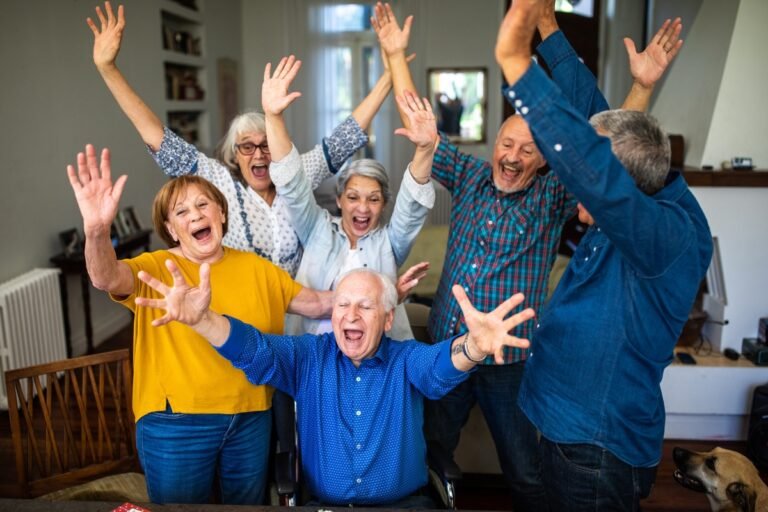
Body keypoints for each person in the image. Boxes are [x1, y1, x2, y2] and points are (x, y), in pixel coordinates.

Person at [371, 2, 684, 509]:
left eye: (529, 151)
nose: (514, 157)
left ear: (544, 160)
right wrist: (395, 54)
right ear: (495, 141)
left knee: (524, 469)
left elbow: (608, 151)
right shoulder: (470, 175)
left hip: (509, 359)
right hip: (448, 346)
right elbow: (421, 122)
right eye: (508, 144)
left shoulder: (553, 196)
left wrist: (642, 87)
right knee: (429, 450)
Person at [494, 1, 712, 510]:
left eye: (587, 188)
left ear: (625, 189)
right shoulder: (645, 178)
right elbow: (593, 121)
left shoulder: (669, 235)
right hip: (555, 422)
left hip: (594, 450)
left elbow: (594, 165)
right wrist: (548, 26)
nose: (576, 200)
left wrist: (517, 63)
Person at [132, 263, 536, 507]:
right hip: (323, 506)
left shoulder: (405, 359)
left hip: (404, 507)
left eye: (365, 305)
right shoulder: (309, 357)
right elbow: (254, 350)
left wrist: (474, 346)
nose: (351, 315)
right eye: (342, 304)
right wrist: (203, 321)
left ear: (387, 315)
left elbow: (439, 367)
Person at [66, 144, 333, 505]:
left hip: (251, 418)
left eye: (203, 204)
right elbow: (105, 277)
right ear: (172, 229)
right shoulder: (157, 266)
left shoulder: (258, 269)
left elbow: (318, 304)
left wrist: (382, 292)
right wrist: (97, 231)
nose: (195, 214)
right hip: (176, 424)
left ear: (221, 213)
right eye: (181, 211)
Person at [87, 2, 392, 277]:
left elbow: (346, 136)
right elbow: (158, 138)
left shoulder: (296, 173)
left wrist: (392, 71)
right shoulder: (216, 182)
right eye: (247, 146)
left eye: (266, 145)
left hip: (297, 314)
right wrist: (107, 68)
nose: (258, 154)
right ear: (235, 154)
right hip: (244, 316)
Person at [262, 55, 436, 340]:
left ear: (383, 205)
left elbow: (412, 205)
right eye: (353, 197)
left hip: (375, 359)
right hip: (315, 354)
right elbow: (292, 183)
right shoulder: (317, 228)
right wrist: (273, 117)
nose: (363, 208)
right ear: (339, 199)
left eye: (374, 199)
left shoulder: (389, 243)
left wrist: (425, 149)